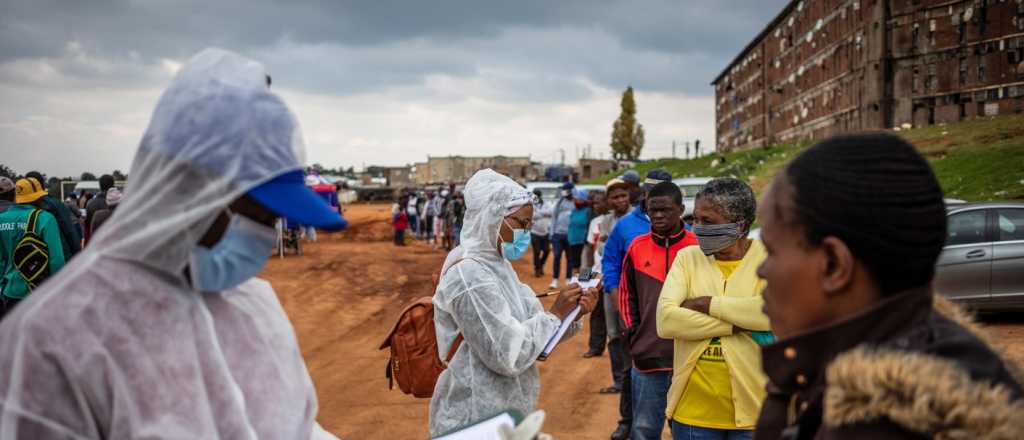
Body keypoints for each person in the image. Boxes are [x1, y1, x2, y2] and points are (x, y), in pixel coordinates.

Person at [0, 49, 346, 438]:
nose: (266, 236)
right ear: (193, 195)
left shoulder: (254, 307)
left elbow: (298, 428)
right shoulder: (56, 339)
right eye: (260, 216)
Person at [755, 134, 1024, 439]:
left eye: (770, 251)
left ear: (833, 264)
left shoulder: (872, 427)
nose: (761, 270)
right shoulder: (946, 352)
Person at [429, 168, 599, 436]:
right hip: (473, 418)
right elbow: (506, 354)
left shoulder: (499, 266)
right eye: (521, 223)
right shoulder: (469, 274)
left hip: (506, 412)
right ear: (492, 217)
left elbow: (535, 333)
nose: (526, 233)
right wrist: (556, 314)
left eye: (530, 225)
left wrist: (572, 313)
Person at [657, 177, 771, 440]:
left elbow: (775, 313)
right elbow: (666, 321)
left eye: (707, 221)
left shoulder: (770, 258)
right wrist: (741, 323)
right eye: (694, 219)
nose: (697, 228)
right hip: (692, 413)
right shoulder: (687, 259)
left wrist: (704, 303)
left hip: (756, 411)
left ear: (740, 225)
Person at [619, 182, 699, 439]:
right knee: (644, 429)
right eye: (653, 210)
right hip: (648, 356)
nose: (658, 216)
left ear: (681, 210)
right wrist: (633, 333)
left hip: (690, 358)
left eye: (666, 210)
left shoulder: (698, 246)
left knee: (689, 431)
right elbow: (627, 295)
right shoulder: (637, 247)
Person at [601, 169, 671, 440]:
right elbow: (610, 262)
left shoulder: (683, 229)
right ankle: (626, 422)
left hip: (670, 315)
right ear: (644, 191)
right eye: (652, 190)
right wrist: (617, 299)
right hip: (633, 312)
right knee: (632, 368)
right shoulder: (626, 226)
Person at [0, 178, 67, 318]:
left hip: (9, 290)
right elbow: (57, 260)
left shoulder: (2, 219)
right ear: (37, 197)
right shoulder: (45, 218)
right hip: (38, 291)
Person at [23, 172, 80, 258]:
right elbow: (69, 231)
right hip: (56, 255)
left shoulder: (17, 208)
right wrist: (77, 254)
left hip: (26, 258)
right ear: (42, 185)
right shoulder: (55, 204)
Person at [582, 190, 608, 359]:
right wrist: (586, 277)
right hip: (598, 276)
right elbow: (589, 251)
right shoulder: (594, 222)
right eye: (594, 203)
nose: (596, 206)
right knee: (597, 313)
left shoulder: (617, 221)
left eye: (599, 202)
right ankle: (595, 347)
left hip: (615, 275)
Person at [548, 182, 575, 289]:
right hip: (558, 235)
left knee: (570, 258)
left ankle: (568, 279)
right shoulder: (560, 202)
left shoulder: (576, 202)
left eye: (565, 190)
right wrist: (552, 234)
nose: (563, 192)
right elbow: (554, 218)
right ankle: (555, 280)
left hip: (571, 235)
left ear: (571, 190)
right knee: (557, 256)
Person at [83, 174, 115, 245]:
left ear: (100, 186)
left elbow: (87, 228)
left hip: (96, 243)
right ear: (113, 186)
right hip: (114, 243)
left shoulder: (90, 203)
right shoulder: (118, 204)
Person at [567, 188, 590, 277]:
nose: (575, 201)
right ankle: (575, 281)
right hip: (573, 242)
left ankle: (585, 282)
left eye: (578, 199)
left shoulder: (588, 211)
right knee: (575, 265)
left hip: (584, 242)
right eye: (575, 199)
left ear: (584, 200)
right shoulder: (574, 211)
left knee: (585, 265)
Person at [530, 188, 552, 278]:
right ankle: (537, 269)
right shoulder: (531, 205)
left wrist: (539, 213)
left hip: (545, 232)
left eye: (537, 196)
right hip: (534, 232)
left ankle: (541, 264)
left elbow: (551, 212)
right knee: (537, 251)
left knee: (547, 251)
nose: (536, 197)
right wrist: (543, 214)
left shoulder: (546, 204)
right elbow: (532, 216)